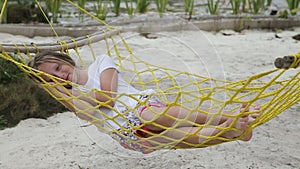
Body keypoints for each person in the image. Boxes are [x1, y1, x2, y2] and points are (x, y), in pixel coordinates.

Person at [28, 51, 260, 154]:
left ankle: (231, 124)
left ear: (64, 58)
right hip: (131, 134)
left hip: (142, 110)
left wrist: (75, 92)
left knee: (151, 117)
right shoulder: (72, 100)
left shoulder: (100, 64)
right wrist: (60, 91)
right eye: (51, 79)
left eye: (58, 68)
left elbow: (108, 98)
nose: (59, 75)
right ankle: (233, 127)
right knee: (185, 136)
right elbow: (87, 114)